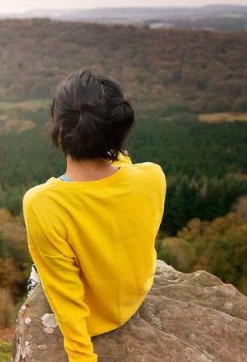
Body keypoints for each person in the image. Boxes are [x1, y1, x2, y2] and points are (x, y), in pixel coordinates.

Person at [22, 70, 166, 362]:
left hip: (93, 318)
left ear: (60, 131)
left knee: (38, 268)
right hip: (133, 297)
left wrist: (81, 356)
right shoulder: (153, 177)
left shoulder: (43, 203)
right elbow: (122, 168)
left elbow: (64, 294)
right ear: (120, 130)